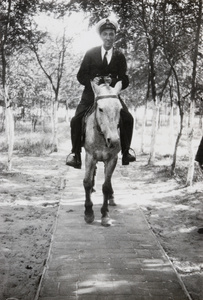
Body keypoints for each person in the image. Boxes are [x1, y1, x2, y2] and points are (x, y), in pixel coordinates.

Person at [66, 17, 136, 169]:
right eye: (105, 34)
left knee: (128, 118)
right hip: (91, 95)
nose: (108, 37)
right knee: (76, 120)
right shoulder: (91, 53)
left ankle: (126, 151)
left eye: (111, 34)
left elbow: (125, 79)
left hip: (111, 96)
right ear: (101, 36)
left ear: (114, 36)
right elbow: (80, 75)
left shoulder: (119, 56)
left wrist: (115, 80)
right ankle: (75, 154)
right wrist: (92, 79)